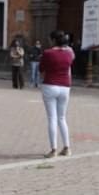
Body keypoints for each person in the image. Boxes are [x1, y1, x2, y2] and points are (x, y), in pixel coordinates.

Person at [39, 30, 75, 158]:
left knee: (52, 118)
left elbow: (41, 68)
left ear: (54, 40)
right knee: (62, 118)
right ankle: (67, 147)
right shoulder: (69, 53)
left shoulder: (48, 53)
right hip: (65, 86)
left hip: (50, 85)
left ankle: (53, 149)